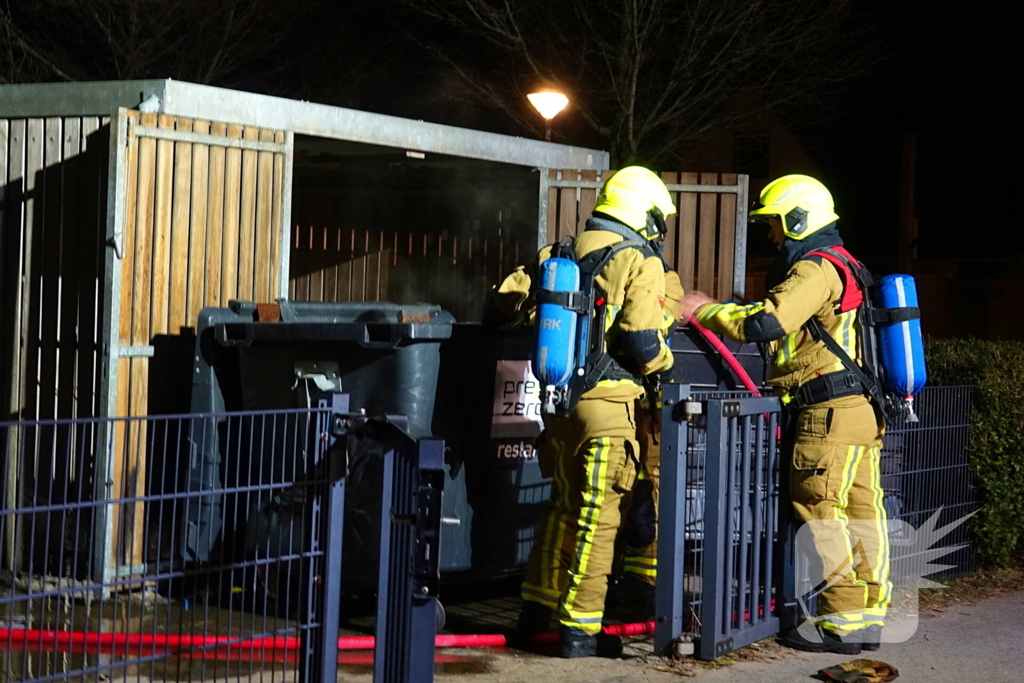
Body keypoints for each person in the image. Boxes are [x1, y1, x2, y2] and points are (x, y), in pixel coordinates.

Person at [680, 174, 890, 655]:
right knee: (863, 514)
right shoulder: (847, 263)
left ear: (798, 219)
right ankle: (868, 617)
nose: (772, 235)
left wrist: (706, 310)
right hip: (859, 410)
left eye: (775, 224)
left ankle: (841, 622)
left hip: (827, 413)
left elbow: (767, 321)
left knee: (820, 512)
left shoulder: (814, 268)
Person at [485, 166, 676, 658]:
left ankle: (535, 611)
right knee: (598, 519)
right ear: (645, 214)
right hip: (609, 411)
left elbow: (501, 303)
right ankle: (578, 630)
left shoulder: (558, 252)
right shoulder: (640, 259)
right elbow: (641, 340)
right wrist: (665, 362)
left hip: (558, 407)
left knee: (561, 510)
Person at [610, 268, 685, 611]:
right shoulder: (619, 272)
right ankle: (627, 575)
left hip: (653, 405)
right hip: (624, 401)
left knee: (651, 492)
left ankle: (647, 582)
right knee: (625, 489)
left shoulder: (665, 279)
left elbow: (656, 325)